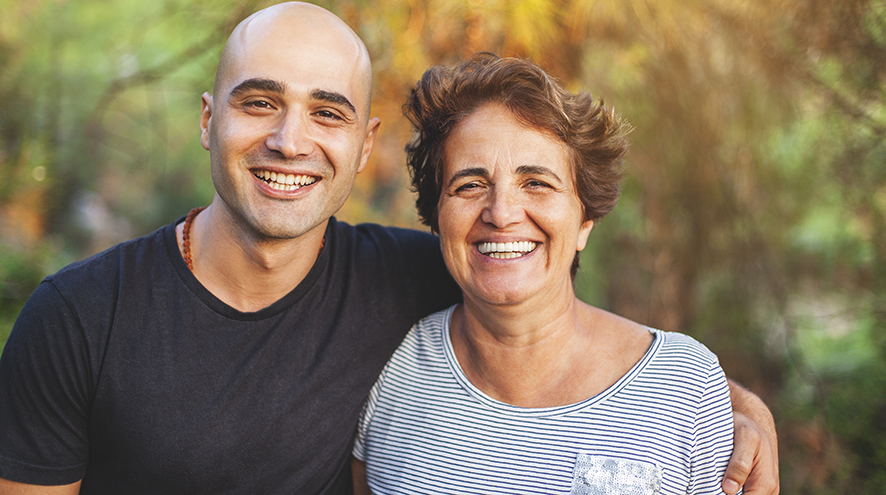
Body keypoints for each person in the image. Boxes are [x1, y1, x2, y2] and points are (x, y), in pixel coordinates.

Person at [0, 3, 777, 495]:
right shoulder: (79, 317)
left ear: (365, 144)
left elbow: (559, 321)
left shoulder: (410, 279)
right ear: (209, 120)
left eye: (327, 112)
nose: (289, 140)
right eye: (259, 101)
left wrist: (731, 406)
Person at [352, 54, 765, 494]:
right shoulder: (386, 370)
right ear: (437, 215)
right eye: (469, 185)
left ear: (585, 220)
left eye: (537, 183)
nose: (501, 214)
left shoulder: (685, 388)